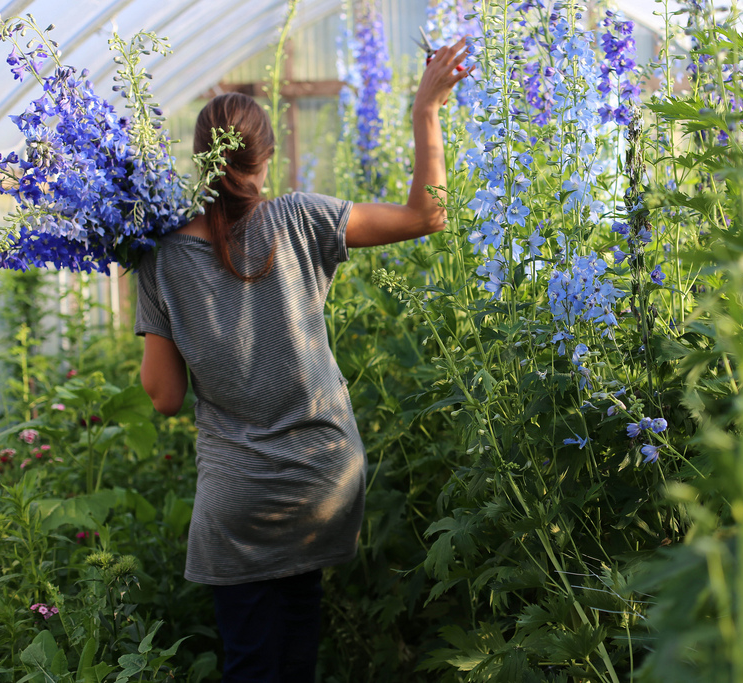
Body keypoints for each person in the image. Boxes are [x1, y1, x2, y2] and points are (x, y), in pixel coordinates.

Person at [134, 37, 471, 683]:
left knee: (253, 664)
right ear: (268, 158)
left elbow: (163, 395)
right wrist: (425, 111)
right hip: (322, 481)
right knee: (296, 659)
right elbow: (427, 215)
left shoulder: (160, 257)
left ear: (198, 159)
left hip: (241, 504)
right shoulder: (300, 219)